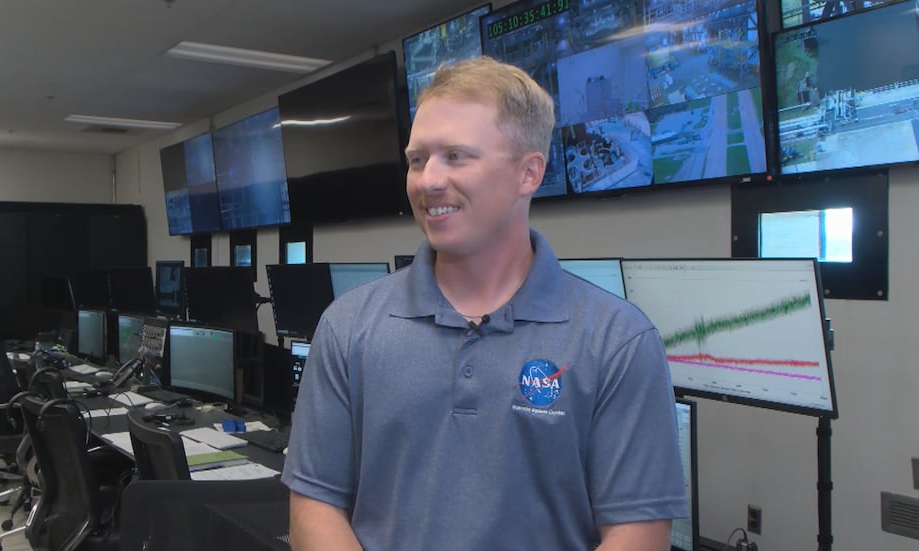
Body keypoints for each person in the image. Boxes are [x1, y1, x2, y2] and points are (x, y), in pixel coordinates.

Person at [281, 56, 687, 550]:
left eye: (456, 156)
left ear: (529, 173)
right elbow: (315, 506)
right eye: (417, 159)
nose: (427, 180)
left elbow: (638, 534)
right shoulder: (348, 327)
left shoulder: (617, 340)